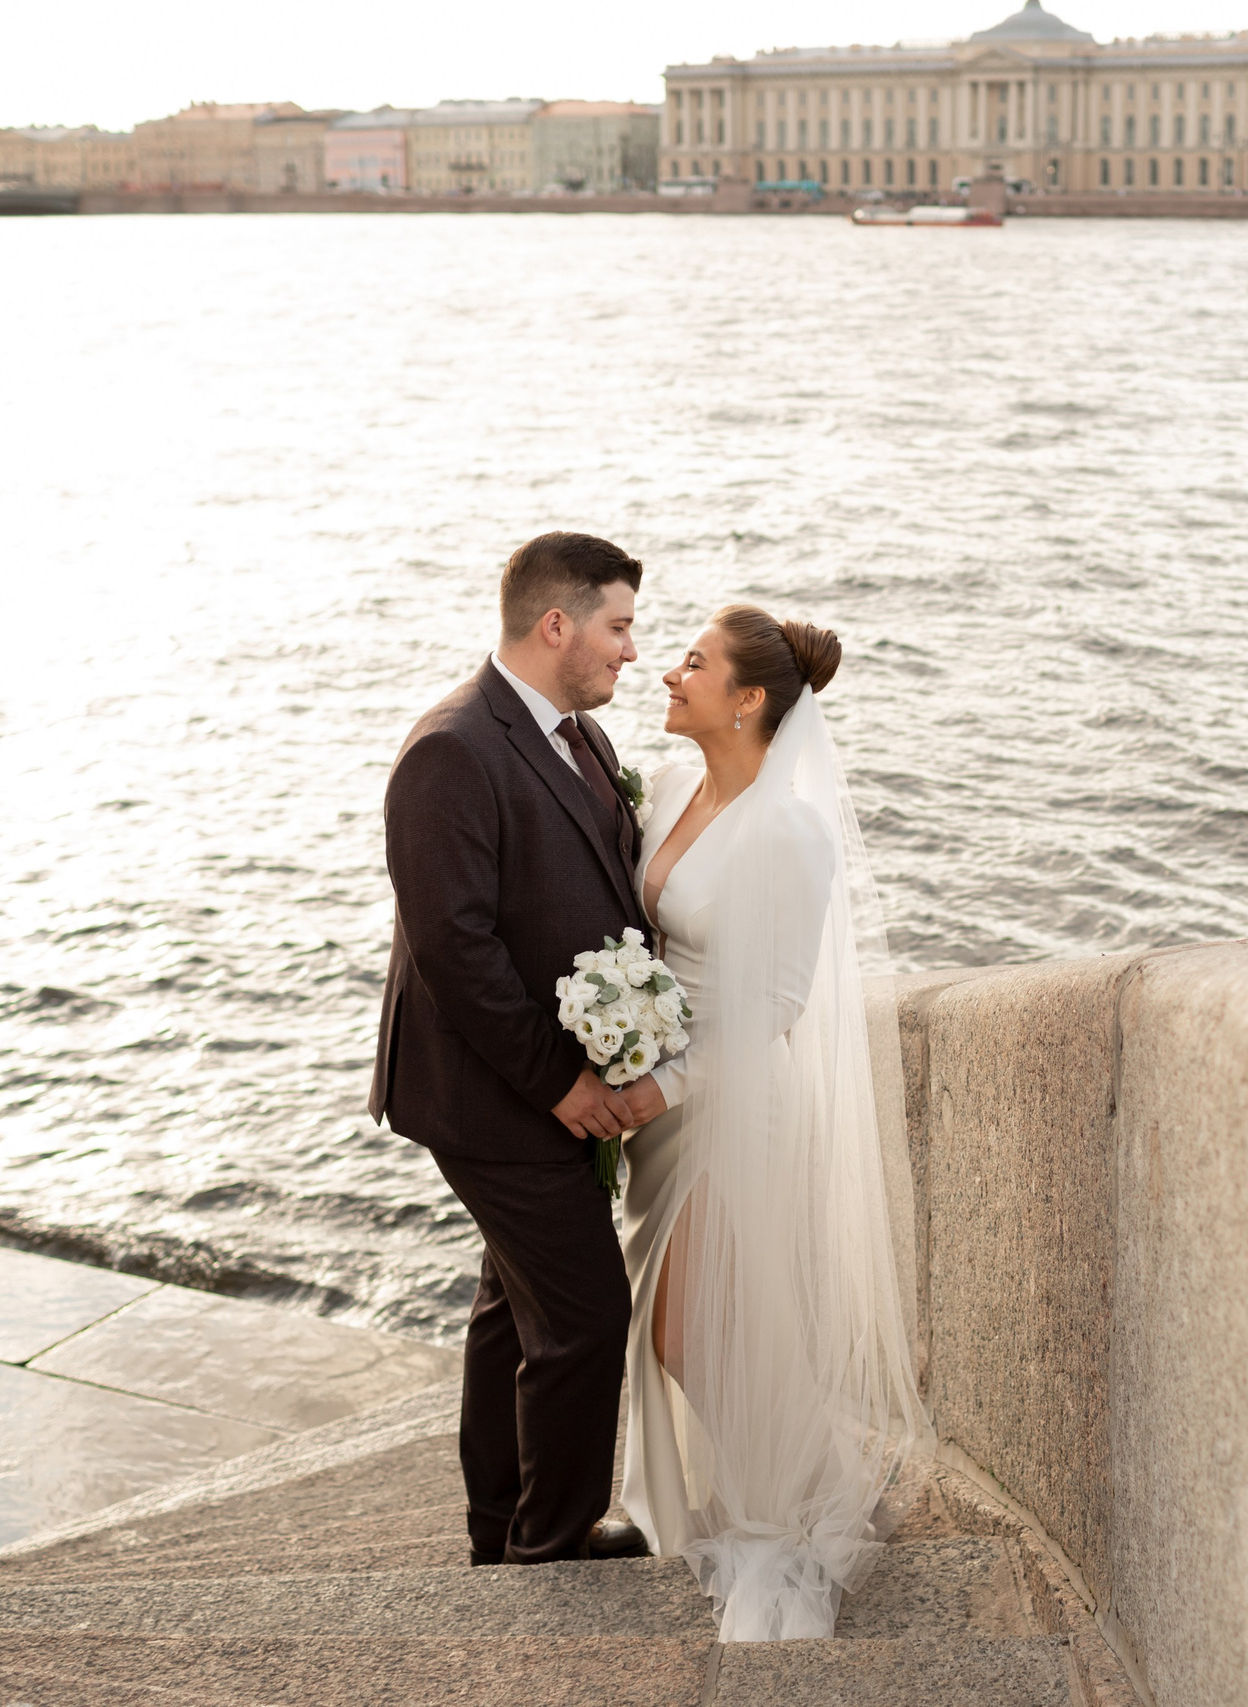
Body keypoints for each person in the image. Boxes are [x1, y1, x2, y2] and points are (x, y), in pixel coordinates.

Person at [607, 605, 931, 1640]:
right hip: (658, 1103)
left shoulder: (789, 831)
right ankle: (809, 1477)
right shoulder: (669, 789)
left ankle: (801, 1502)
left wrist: (664, 1087)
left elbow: (778, 1005)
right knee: (701, 1325)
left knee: (686, 1329)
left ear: (748, 699)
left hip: (734, 1100)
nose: (669, 673)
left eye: (692, 662)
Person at [369, 531, 655, 1566]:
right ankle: (552, 1545)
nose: (632, 649)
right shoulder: (452, 749)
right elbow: (455, 949)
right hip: (493, 1095)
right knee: (586, 1314)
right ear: (557, 624)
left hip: (546, 1084)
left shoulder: (582, 737)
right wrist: (562, 1082)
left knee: (513, 1310)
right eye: (618, 626)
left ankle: (500, 1534)